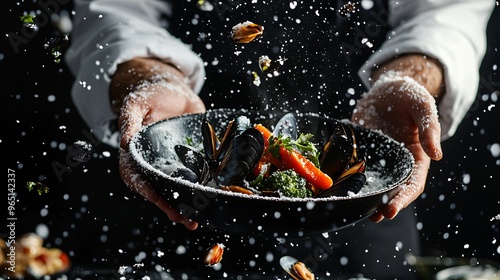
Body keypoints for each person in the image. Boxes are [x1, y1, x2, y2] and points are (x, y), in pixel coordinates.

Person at [64, 0, 494, 278]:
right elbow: (113, 10)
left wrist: (410, 77)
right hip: (181, 200)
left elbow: (446, 13)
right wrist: (150, 77)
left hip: (357, 209)